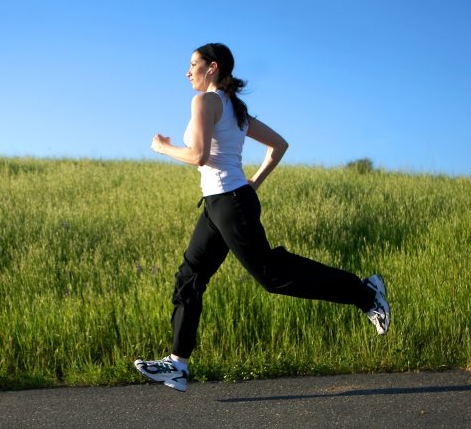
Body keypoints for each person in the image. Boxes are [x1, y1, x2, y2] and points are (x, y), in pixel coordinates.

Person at [133, 43, 391, 393]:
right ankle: (177, 364)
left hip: (229, 203)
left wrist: (163, 148)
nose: (187, 71)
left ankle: (365, 293)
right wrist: (254, 182)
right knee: (190, 276)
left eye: (192, 64)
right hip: (218, 204)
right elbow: (279, 145)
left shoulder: (206, 101)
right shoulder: (234, 109)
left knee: (271, 275)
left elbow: (198, 155)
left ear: (212, 67)